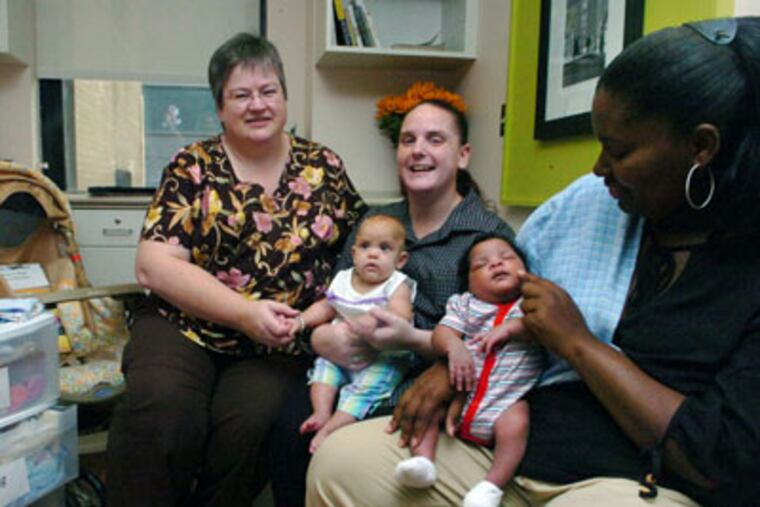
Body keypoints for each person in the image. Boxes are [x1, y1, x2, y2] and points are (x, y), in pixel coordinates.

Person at [307, 16, 760, 507]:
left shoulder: (743, 269)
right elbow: (495, 309)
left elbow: (722, 458)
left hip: (629, 481)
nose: (598, 169)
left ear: (701, 147)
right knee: (342, 464)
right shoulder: (591, 208)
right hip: (511, 445)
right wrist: (451, 365)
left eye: (618, 150)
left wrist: (579, 343)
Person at [105, 33, 366, 507]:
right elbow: (154, 264)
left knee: (249, 424)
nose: (257, 105)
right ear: (220, 108)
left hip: (277, 344)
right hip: (181, 328)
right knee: (163, 408)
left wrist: (313, 320)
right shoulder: (193, 166)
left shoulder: (323, 167)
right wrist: (244, 313)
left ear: (285, 97)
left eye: (268, 91)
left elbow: (358, 255)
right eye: (240, 94)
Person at [268, 98, 516, 507]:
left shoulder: (487, 238)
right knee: (289, 432)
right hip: (349, 366)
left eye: (435, 139)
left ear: (463, 155)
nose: (418, 150)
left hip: (430, 383)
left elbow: (500, 333)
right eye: (408, 140)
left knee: (353, 459)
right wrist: (320, 340)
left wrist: (415, 342)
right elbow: (336, 297)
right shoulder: (376, 224)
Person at [394, 234, 544, 507]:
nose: (497, 264)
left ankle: (491, 487)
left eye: (507, 257)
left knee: (517, 421)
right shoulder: (464, 304)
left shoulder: (531, 304)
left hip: (505, 402)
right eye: (481, 264)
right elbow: (442, 332)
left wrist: (510, 328)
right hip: (461, 393)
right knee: (431, 408)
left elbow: (542, 326)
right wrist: (454, 346)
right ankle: (423, 461)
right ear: (469, 283)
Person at [297, 214, 417, 453]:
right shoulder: (343, 279)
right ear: (353, 254)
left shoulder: (397, 284)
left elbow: (402, 315)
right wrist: (300, 321)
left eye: (384, 248)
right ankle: (321, 412)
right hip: (338, 350)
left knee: (368, 388)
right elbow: (325, 307)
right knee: (323, 371)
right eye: (365, 246)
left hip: (381, 356)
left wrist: (372, 322)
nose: (373, 254)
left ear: (400, 259)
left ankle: (334, 424)